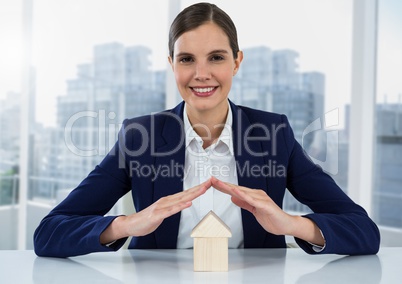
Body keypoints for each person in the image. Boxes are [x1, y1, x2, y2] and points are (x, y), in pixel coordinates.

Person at [34, 2, 380, 258]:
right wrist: (127, 224)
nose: (201, 74)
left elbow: (364, 231)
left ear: (237, 62)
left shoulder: (274, 134)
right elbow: (48, 233)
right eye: (187, 59)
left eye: (216, 57)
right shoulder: (139, 137)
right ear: (172, 64)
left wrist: (292, 224)